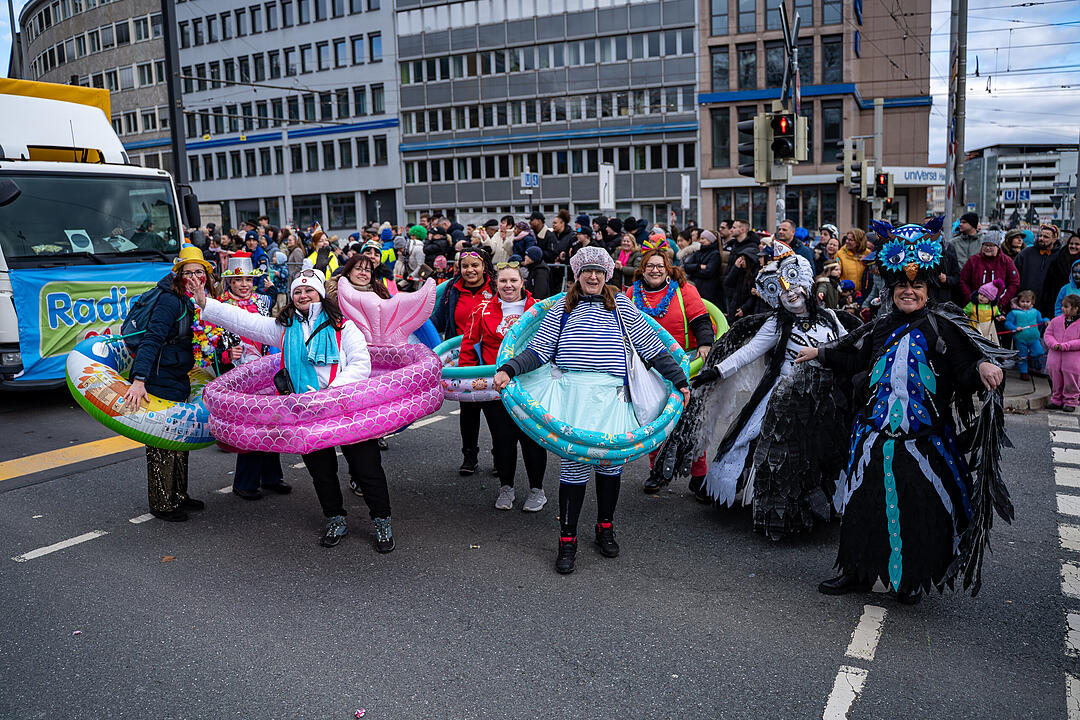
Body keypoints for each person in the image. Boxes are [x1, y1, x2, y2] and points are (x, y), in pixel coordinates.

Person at [798, 218, 1013, 605]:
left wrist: (982, 368)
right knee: (861, 505)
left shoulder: (943, 325)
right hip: (873, 437)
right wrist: (820, 353)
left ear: (927, 289)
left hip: (923, 442)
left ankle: (910, 578)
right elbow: (854, 352)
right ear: (891, 289)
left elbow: (965, 367)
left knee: (919, 510)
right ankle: (858, 572)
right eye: (902, 286)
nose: (908, 292)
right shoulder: (881, 326)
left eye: (916, 286)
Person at [493, 247, 689, 574]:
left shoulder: (622, 306)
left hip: (612, 396)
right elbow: (539, 350)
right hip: (574, 395)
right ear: (578, 274)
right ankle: (567, 540)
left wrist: (679, 379)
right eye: (588, 271)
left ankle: (605, 528)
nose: (593, 276)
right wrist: (510, 369)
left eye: (599, 271)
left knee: (610, 465)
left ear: (607, 274)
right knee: (574, 466)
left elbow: (651, 347)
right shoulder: (560, 308)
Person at [651, 241, 861, 538]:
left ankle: (825, 503)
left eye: (795, 288)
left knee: (825, 452)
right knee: (771, 449)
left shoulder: (829, 318)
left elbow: (847, 346)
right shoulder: (777, 324)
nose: (791, 295)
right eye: (783, 292)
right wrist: (715, 372)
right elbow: (746, 354)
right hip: (786, 398)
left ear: (806, 286)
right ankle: (783, 510)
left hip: (826, 399)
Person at [194, 262, 397, 552]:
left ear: (319, 293)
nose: (303, 296)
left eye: (309, 290)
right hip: (307, 414)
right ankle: (335, 518)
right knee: (321, 471)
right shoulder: (284, 328)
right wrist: (207, 304)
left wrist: (329, 395)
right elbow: (243, 321)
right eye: (298, 291)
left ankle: (381, 521)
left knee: (368, 468)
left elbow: (361, 364)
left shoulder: (344, 325)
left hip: (348, 409)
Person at [122, 245, 213, 522]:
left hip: (179, 376)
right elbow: (152, 339)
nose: (194, 276)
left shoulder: (191, 298)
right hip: (161, 379)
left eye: (199, 271)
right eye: (188, 272)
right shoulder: (169, 301)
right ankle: (162, 503)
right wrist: (139, 380)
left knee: (179, 437)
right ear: (178, 274)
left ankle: (179, 495)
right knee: (162, 441)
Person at [459, 263, 548, 511]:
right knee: (503, 439)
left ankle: (537, 490)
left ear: (522, 283)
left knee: (533, 439)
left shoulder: (540, 308)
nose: (508, 285)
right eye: (503, 281)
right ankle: (506, 488)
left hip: (532, 385)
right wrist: (467, 382)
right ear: (495, 284)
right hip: (495, 387)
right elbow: (469, 346)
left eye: (513, 281)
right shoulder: (482, 309)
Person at [630, 249, 715, 495]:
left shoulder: (684, 289)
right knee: (655, 420)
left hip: (686, 363)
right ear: (642, 269)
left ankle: (699, 477)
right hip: (648, 367)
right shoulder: (630, 294)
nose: (655, 270)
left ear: (668, 268)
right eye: (649, 266)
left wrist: (705, 344)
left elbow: (701, 319)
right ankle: (657, 471)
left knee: (691, 421)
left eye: (660, 266)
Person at [217, 253, 291, 501]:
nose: (245, 284)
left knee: (271, 422)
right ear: (230, 283)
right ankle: (244, 482)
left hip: (265, 371)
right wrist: (227, 354)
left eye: (249, 279)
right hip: (237, 376)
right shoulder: (220, 306)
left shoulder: (262, 301)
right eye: (239, 281)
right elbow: (207, 347)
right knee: (250, 427)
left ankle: (271, 477)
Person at [431, 250, 496, 475]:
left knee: (496, 410)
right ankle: (470, 456)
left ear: (484, 266)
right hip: (462, 361)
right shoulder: (451, 290)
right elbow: (436, 321)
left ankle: (501, 457)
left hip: (492, 359)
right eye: (465, 266)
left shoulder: (497, 288)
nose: (470, 270)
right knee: (468, 410)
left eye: (474, 265)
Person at [958, 237, 1019, 311]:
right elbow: (963, 280)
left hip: (997, 308)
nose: (987, 248)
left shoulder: (1006, 261)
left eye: (991, 245)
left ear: (998, 247)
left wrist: (1002, 301)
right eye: (985, 245)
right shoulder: (973, 260)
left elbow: (1014, 283)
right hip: (974, 307)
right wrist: (971, 298)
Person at [1045, 294, 1080, 411]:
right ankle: (1056, 400)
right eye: (1062, 306)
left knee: (1071, 379)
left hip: (1072, 359)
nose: (1062, 309)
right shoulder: (1056, 321)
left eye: (1066, 306)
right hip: (1054, 357)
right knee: (1055, 377)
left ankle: (1070, 401)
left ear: (1076, 308)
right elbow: (1048, 334)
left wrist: (1066, 345)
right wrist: (1054, 344)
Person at [1004, 290, 1048, 380]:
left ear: (1032, 302)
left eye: (1027, 302)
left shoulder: (1035, 312)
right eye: (1022, 301)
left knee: (1039, 352)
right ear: (1018, 301)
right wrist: (1014, 328)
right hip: (1020, 339)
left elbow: (1040, 321)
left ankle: (1030, 365)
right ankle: (1024, 372)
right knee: (1022, 356)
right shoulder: (1014, 312)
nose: (1025, 304)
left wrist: (1046, 320)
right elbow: (1007, 323)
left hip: (1034, 338)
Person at [1015, 224, 1060, 308]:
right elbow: (1014, 276)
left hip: (1049, 305)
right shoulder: (1026, 253)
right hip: (1025, 304)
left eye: (1046, 237)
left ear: (1054, 239)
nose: (1041, 239)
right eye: (1040, 236)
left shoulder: (1059, 256)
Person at [1041, 232, 1080, 317]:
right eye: (1071, 243)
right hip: (1057, 305)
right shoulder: (1059, 258)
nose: (1073, 246)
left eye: (1077, 244)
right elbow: (1048, 286)